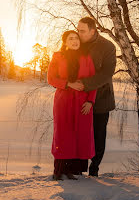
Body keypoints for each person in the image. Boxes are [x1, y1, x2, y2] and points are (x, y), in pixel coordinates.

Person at [47, 30, 97, 180]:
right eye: (71, 39)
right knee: (64, 134)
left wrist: (90, 101)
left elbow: (93, 82)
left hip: (82, 103)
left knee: (80, 134)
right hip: (64, 101)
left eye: (76, 38)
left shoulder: (86, 58)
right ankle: (60, 171)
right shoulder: (58, 57)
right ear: (65, 42)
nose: (75, 41)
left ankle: (75, 171)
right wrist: (68, 84)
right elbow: (51, 79)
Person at [72, 17, 116, 177]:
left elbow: (106, 73)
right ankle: (78, 168)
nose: (79, 33)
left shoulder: (107, 46)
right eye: (78, 30)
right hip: (78, 99)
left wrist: (84, 84)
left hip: (101, 99)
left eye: (82, 31)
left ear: (93, 31)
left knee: (98, 135)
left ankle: (94, 168)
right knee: (79, 134)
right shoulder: (76, 43)